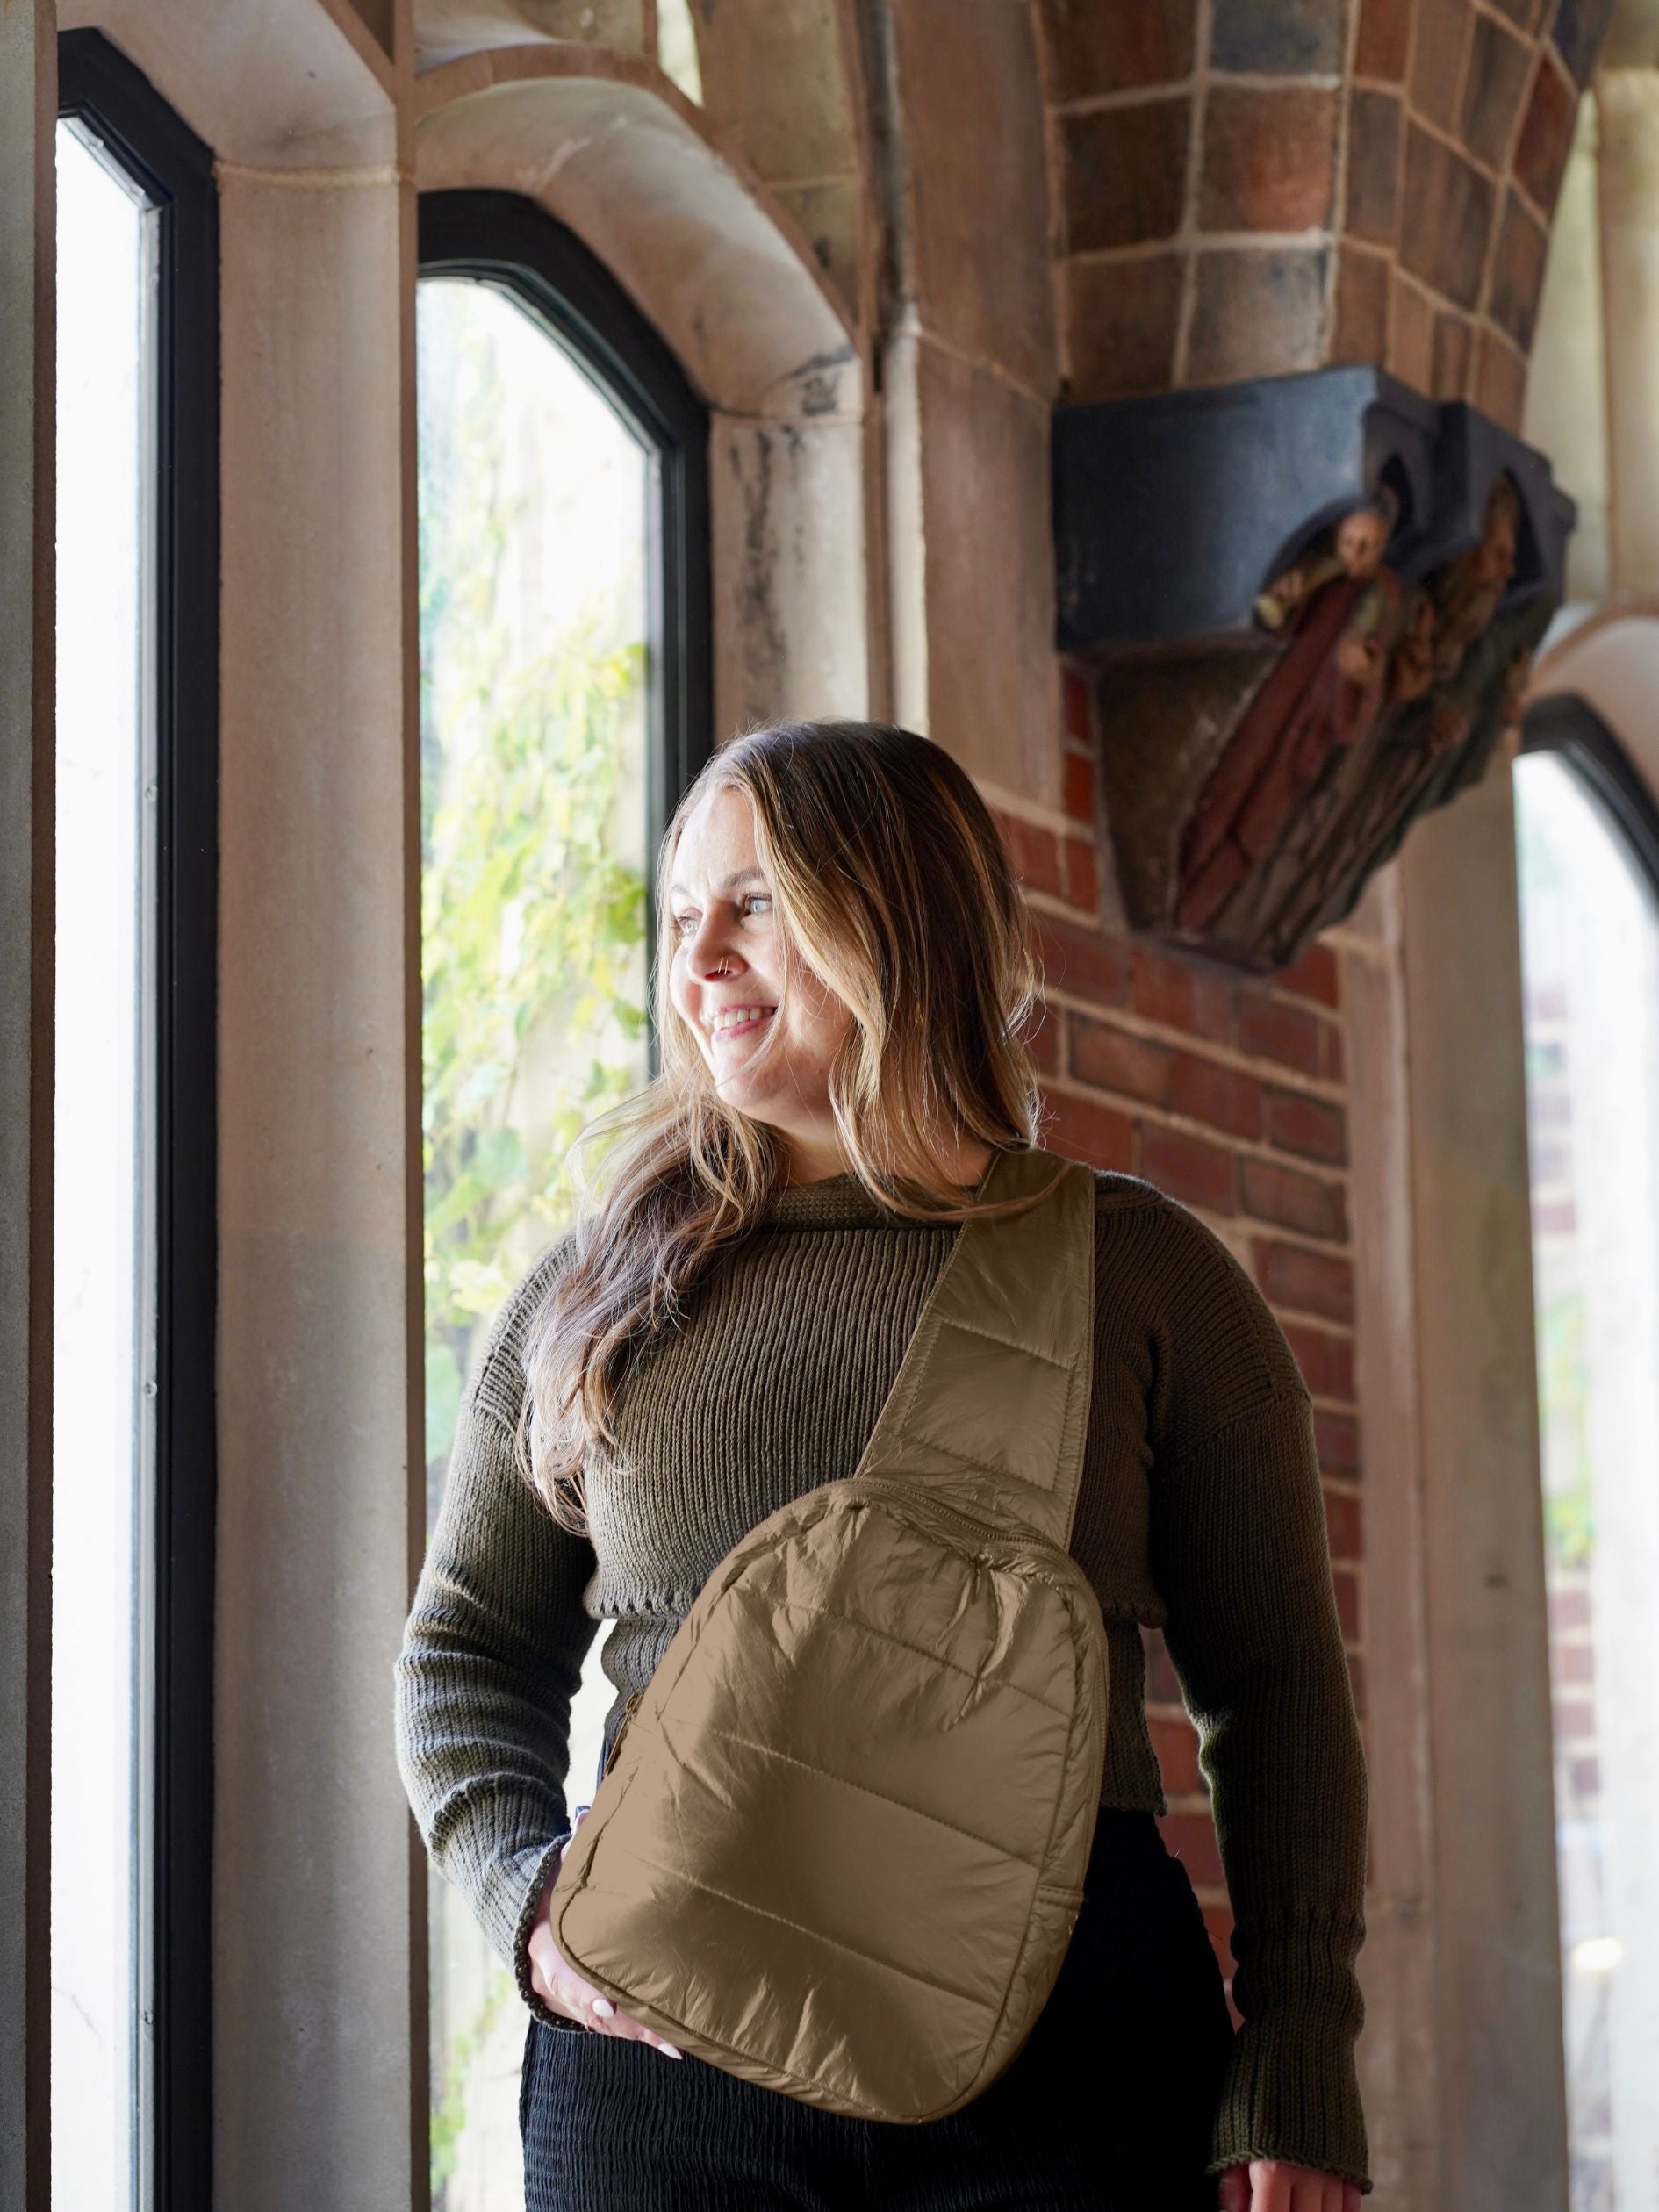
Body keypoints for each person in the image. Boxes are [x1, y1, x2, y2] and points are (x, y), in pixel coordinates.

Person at [394, 720, 1372, 2211]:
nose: (698, 959)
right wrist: (521, 1904)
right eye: (682, 915)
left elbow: (1277, 1687)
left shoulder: (1142, 1275)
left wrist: (1297, 2048)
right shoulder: (591, 1295)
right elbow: (463, 1647)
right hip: (660, 2060)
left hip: (1068, 2055)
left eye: (754, 903)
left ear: (902, 916)